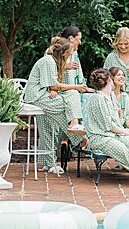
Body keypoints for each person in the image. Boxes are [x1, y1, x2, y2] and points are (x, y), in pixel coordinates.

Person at [23, 37, 88, 174]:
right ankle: (77, 137)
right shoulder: (48, 60)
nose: (71, 54)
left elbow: (53, 83)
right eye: (69, 52)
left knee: (69, 98)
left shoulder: (54, 61)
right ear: (63, 52)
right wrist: (75, 86)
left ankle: (73, 126)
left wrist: (64, 86)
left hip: (45, 95)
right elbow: (53, 85)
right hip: (36, 97)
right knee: (66, 103)